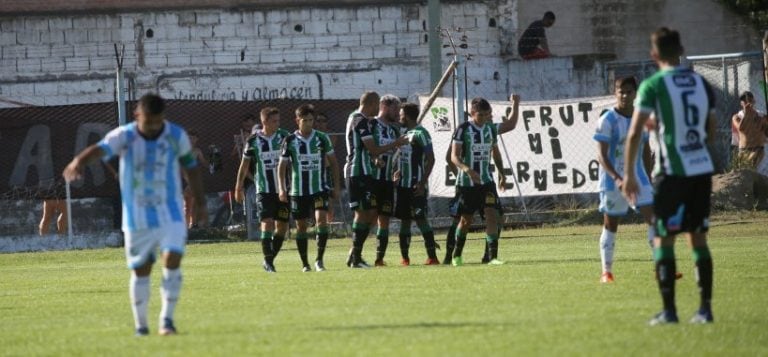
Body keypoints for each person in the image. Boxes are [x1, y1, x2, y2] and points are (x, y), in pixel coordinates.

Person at [62, 93, 207, 336]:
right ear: (138, 115)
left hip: (170, 210)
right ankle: (141, 326)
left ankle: (166, 321)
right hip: (136, 214)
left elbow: (191, 168)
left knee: (172, 258)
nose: (153, 126)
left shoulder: (175, 135)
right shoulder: (124, 135)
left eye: (158, 121)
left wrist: (201, 202)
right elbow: (100, 150)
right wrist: (78, 162)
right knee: (142, 269)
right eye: (149, 121)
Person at [623, 27, 716, 325]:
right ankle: (704, 310)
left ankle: (670, 312)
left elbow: (635, 131)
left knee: (663, 240)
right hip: (700, 169)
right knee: (698, 239)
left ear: (654, 55)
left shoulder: (652, 85)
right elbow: (711, 129)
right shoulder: (702, 82)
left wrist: (629, 174)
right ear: (681, 50)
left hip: (671, 173)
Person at [593, 77, 655, 283]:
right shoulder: (607, 120)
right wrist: (617, 178)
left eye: (629, 92)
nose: (624, 96)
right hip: (613, 181)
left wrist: (648, 176)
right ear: (615, 93)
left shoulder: (641, 118)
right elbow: (601, 155)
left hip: (639, 178)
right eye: (621, 91)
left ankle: (661, 267)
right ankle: (606, 271)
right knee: (611, 224)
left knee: (654, 219)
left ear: (635, 93)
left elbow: (646, 149)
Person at [449, 97, 518, 266]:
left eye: (488, 114)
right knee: (466, 221)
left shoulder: (490, 129)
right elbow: (454, 156)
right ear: (472, 114)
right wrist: (467, 170)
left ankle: (492, 257)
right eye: (481, 115)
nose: (485, 117)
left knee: (491, 215)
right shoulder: (463, 129)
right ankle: (456, 255)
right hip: (466, 183)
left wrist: (502, 174)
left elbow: (496, 152)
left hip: (486, 181)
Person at [344, 91, 408, 268]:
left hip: (367, 173)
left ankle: (356, 256)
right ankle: (355, 257)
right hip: (357, 171)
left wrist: (379, 159)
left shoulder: (380, 125)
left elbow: (372, 151)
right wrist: (395, 144)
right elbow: (373, 148)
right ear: (375, 104)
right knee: (364, 213)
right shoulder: (361, 120)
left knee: (369, 214)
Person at [278, 104, 341, 272]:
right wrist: (282, 189)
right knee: (301, 226)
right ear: (297, 121)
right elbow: (282, 166)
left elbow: (334, 163)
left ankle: (319, 260)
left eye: (311, 120)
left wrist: (336, 186)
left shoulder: (322, 138)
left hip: (319, 188)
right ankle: (305, 263)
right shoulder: (290, 140)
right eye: (304, 120)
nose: (308, 123)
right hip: (298, 191)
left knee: (322, 220)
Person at [235, 107, 291, 273]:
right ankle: (269, 262)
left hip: (283, 190)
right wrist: (238, 186)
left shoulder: (285, 137)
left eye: (279, 121)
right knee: (266, 223)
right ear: (264, 122)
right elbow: (244, 165)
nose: (278, 124)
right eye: (274, 121)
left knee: (282, 227)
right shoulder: (253, 141)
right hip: (264, 189)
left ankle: (269, 258)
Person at [392, 103, 439, 265]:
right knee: (405, 221)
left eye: (401, 114)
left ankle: (432, 257)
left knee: (420, 219)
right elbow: (405, 158)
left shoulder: (421, 133)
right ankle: (405, 259)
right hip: (403, 186)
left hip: (415, 186)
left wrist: (422, 182)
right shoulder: (405, 133)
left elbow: (431, 159)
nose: (399, 117)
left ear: (409, 116)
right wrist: (399, 171)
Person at [368, 94, 402, 266]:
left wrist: (396, 170)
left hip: (387, 181)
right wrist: (374, 159)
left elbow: (396, 153)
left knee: (384, 219)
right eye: (396, 108)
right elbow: (365, 149)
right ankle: (355, 251)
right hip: (372, 180)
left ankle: (379, 258)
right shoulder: (371, 125)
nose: (398, 112)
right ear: (385, 106)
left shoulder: (394, 130)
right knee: (369, 216)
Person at [731, 91, 767, 169]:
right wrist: (747, 115)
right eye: (744, 101)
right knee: (743, 173)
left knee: (755, 173)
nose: (747, 103)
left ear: (754, 101)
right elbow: (741, 128)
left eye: (750, 100)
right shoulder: (737, 117)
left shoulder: (761, 116)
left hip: (758, 149)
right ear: (741, 103)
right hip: (744, 150)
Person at [183, 130, 208, 229]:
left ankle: (192, 225)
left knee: (194, 204)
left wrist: (212, 163)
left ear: (197, 140)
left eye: (193, 138)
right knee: (186, 205)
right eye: (189, 138)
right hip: (184, 181)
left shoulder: (197, 151)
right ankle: (184, 227)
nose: (191, 140)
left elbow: (204, 163)